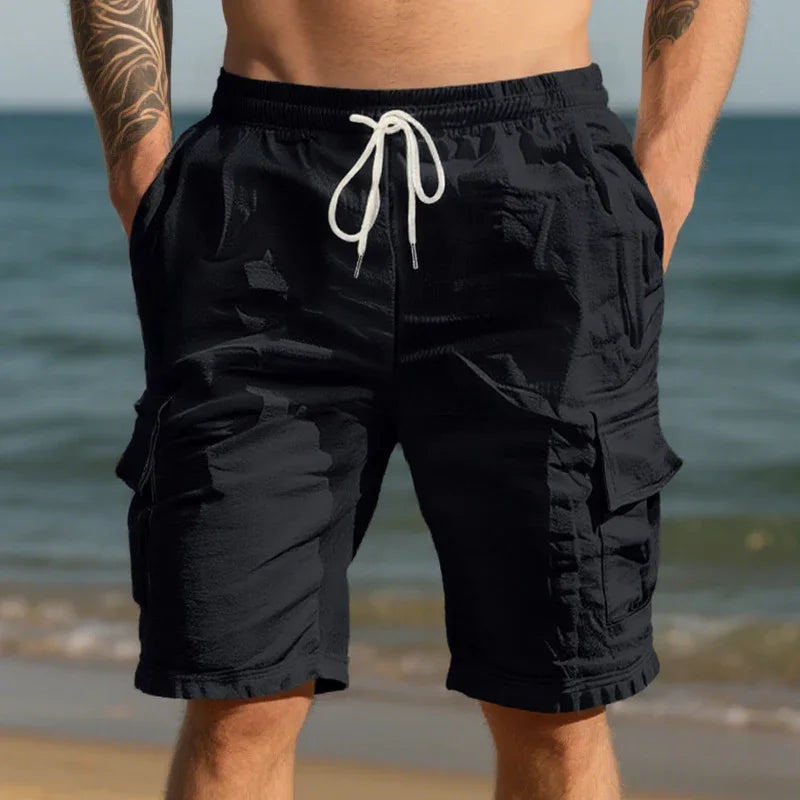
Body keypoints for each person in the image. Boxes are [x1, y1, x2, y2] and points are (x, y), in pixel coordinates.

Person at [70, 2, 749, 798]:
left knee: (556, 701)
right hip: (263, 195)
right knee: (236, 698)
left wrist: (665, 172)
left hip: (537, 192)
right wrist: (137, 164)